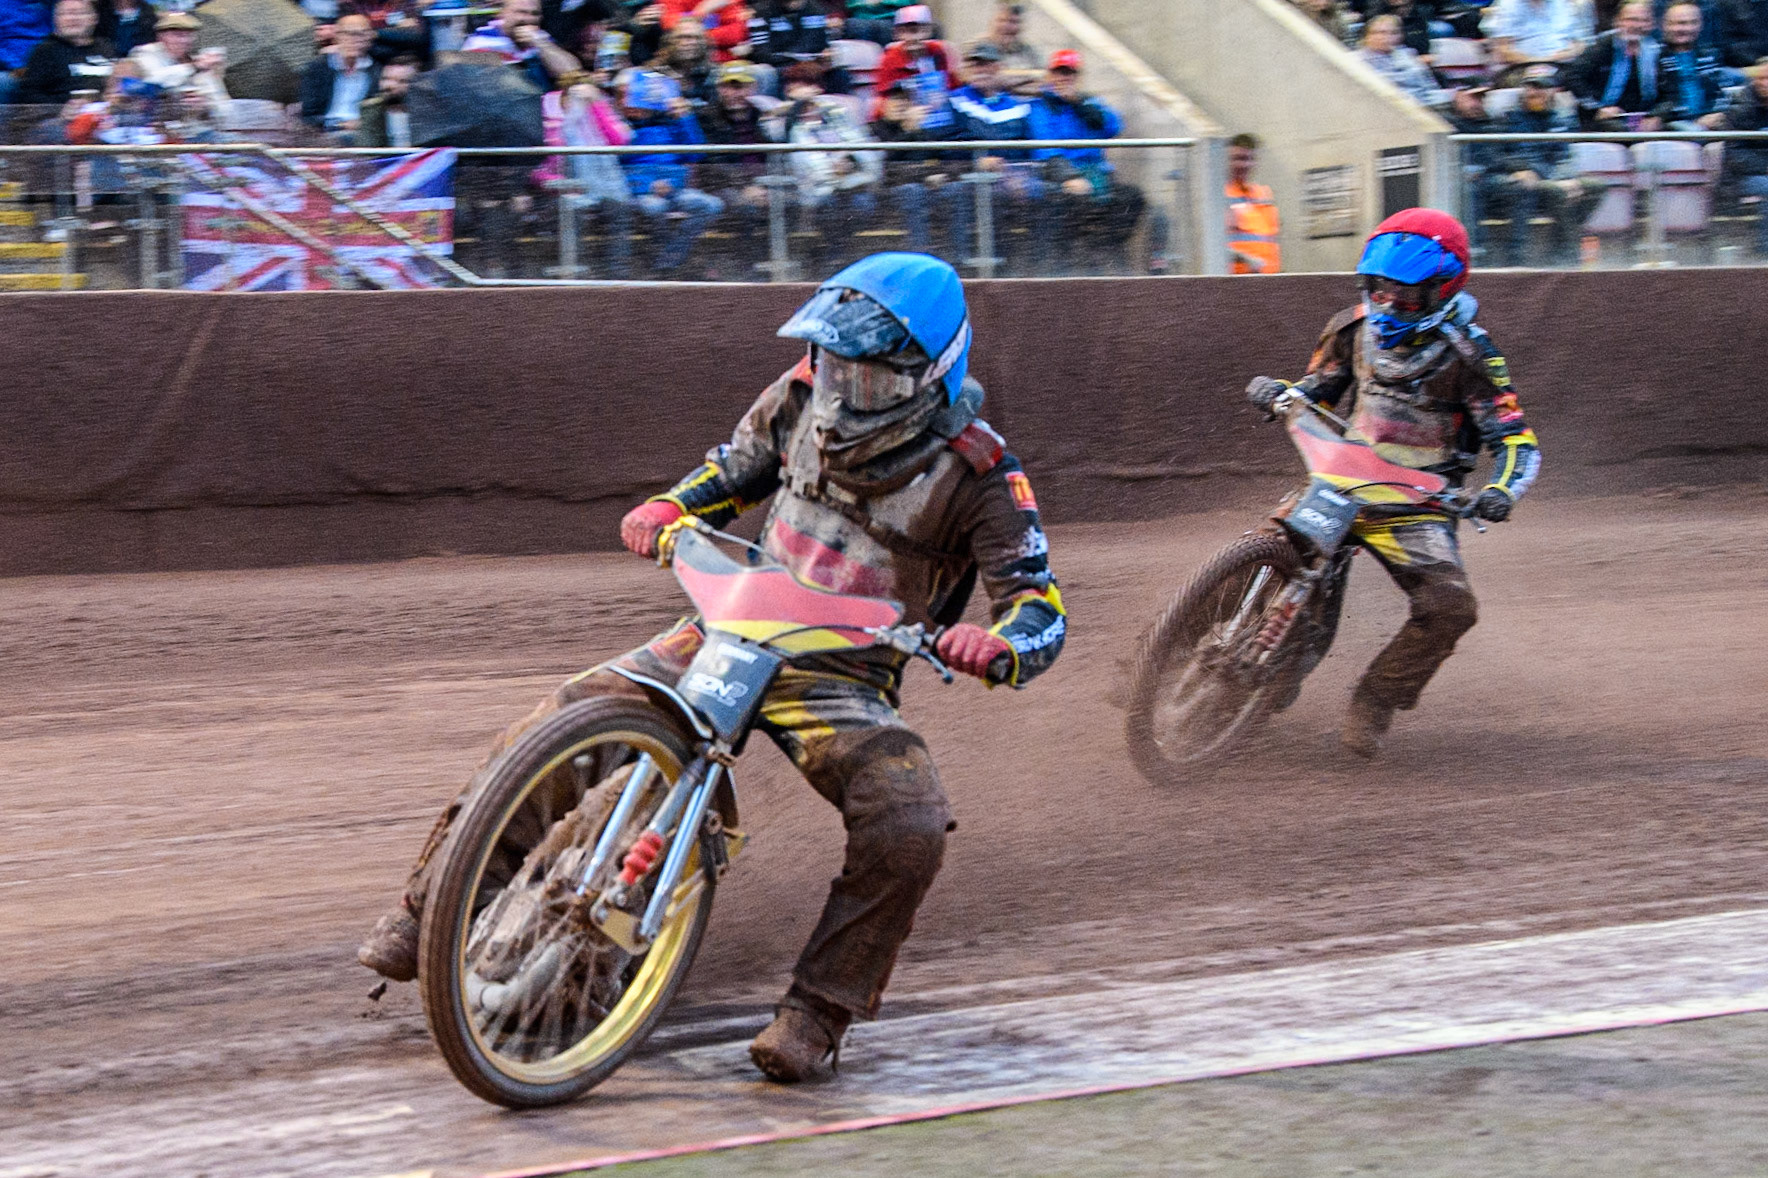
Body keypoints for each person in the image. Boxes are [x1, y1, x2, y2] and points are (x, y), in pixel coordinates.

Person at [359, 252, 1066, 1083]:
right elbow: (730, 476)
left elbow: (1039, 605)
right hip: (735, 626)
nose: (842, 390)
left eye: (867, 379)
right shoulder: (802, 393)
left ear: (929, 379)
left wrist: (1003, 645)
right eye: (834, 365)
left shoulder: (984, 471)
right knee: (567, 719)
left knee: (908, 824)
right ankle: (432, 903)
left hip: (845, 677)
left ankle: (819, 1009)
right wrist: (671, 507)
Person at [1245, 209, 1540, 759]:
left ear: (1442, 291)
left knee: (1452, 609)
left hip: (1416, 503)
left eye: (1405, 298)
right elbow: (1318, 389)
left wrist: (1502, 491)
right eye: (1379, 291)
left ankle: (1377, 699)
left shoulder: (1472, 356)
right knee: (1261, 549)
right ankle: (1170, 647)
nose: (1388, 306)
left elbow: (1517, 442)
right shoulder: (1351, 328)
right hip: (1341, 478)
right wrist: (1280, 392)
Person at [1026, 48, 1146, 272]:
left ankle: (1105, 250)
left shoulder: (1089, 102)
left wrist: (1079, 104)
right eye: (1060, 72)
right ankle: (1073, 262)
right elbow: (1046, 150)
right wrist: (1070, 177)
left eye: (1070, 73)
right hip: (1061, 174)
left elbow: (1114, 126)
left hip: (1097, 173)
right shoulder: (1041, 106)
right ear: (1051, 75)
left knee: (1132, 198)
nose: (1065, 78)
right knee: (1073, 200)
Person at [1489, 64, 1604, 263]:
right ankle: (1570, 255)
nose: (1535, 92)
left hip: (1555, 178)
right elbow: (1499, 154)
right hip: (1528, 180)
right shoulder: (1509, 117)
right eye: (1530, 87)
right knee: (1557, 192)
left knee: (1596, 187)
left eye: (1541, 87)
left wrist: (1567, 179)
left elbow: (1566, 155)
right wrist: (1520, 169)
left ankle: (1557, 246)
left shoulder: (1562, 117)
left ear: (1552, 91)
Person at [618, 64, 726, 275]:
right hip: (636, 192)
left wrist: (685, 118)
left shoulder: (670, 122)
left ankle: (670, 260)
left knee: (711, 205)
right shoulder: (617, 125)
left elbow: (695, 154)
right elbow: (615, 168)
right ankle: (671, 262)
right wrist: (647, 185)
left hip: (674, 188)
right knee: (654, 207)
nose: (628, 101)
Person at [777, 65, 882, 269]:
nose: (803, 91)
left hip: (853, 184)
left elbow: (862, 146)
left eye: (808, 85)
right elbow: (789, 152)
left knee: (863, 206)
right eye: (794, 87)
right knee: (829, 206)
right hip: (815, 190)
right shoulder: (783, 120)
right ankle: (837, 257)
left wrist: (850, 162)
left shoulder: (838, 115)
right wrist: (795, 109)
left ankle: (839, 255)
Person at [869, 75, 969, 259]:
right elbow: (884, 165)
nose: (900, 104)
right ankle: (920, 256)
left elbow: (945, 159)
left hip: (926, 190)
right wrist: (908, 131)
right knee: (912, 191)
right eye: (895, 99)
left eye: (906, 99)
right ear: (884, 103)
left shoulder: (924, 131)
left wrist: (941, 175)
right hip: (890, 193)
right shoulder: (875, 129)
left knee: (955, 189)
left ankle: (959, 258)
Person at [1566, 0, 1665, 128]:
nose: (1636, 25)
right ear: (1617, 21)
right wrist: (1597, 108)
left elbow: (1669, 93)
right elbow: (1571, 76)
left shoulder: (1657, 50)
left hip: (1645, 117)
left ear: (1651, 24)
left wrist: (1657, 115)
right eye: (1631, 20)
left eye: (1643, 20)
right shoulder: (1602, 47)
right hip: (1605, 118)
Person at [128, 11, 228, 124]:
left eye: (188, 35)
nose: (184, 41)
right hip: (154, 126)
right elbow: (153, 80)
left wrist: (205, 107)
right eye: (177, 35)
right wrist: (193, 67)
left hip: (194, 131)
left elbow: (224, 110)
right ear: (161, 36)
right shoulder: (146, 53)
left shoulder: (200, 62)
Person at [872, 5, 959, 133]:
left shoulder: (940, 51)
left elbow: (954, 87)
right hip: (906, 122)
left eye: (916, 30)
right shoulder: (890, 58)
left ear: (928, 30)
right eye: (904, 31)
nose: (911, 38)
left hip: (940, 118)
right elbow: (883, 101)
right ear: (897, 33)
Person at [461, 0, 582, 89]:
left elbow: (573, 73)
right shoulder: (483, 40)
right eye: (521, 12)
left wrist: (540, 43)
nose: (528, 19)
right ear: (503, 13)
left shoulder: (540, 37)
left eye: (534, 13)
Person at [17, 0, 114, 106]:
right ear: (55, 20)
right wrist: (61, 109)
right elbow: (29, 95)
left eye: (79, 13)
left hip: (110, 113)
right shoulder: (45, 51)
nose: (72, 19)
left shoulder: (107, 47)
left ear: (94, 18)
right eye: (65, 14)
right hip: (64, 117)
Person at [1717, 57, 1768, 255]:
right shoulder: (1740, 108)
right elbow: (1734, 155)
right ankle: (1764, 252)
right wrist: (1765, 167)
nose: (1765, 83)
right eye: (1761, 78)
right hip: (1739, 178)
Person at [298, 12, 379, 135]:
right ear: (337, 36)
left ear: (370, 38)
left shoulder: (376, 70)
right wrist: (339, 126)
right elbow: (309, 114)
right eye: (348, 34)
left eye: (361, 34)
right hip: (325, 132)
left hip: (363, 134)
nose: (354, 39)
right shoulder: (319, 67)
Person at [1655, 1, 1730, 126]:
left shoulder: (1710, 55)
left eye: (1693, 23)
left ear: (1701, 25)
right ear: (1664, 25)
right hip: (1670, 124)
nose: (1687, 29)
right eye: (1680, 23)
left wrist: (1718, 114)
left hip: (1709, 122)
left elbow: (1720, 94)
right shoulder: (1653, 56)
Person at [1357, 14, 1449, 106]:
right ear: (1367, 36)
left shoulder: (1408, 53)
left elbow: (1428, 86)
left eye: (1393, 33)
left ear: (1400, 36)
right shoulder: (1356, 60)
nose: (1386, 37)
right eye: (1379, 32)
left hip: (1426, 102)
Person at [1225, 132, 1281, 275]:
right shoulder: (1222, 196)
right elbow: (1215, 246)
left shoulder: (1263, 195)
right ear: (1228, 160)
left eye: (1248, 159)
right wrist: (1247, 260)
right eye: (1238, 159)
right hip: (1237, 283)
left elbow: (1270, 240)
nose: (1244, 165)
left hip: (1269, 280)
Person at [1481, 0, 1594, 65]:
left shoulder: (1565, 4)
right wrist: (1538, 61)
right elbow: (1503, 50)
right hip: (1523, 67)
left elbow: (1581, 44)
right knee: (1540, 84)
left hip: (1564, 64)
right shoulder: (1507, 5)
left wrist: (1570, 52)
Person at [968, 1, 1044, 94]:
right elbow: (967, 77)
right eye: (1002, 20)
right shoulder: (976, 46)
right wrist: (1023, 81)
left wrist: (1000, 82)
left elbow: (1043, 83)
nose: (1006, 26)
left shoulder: (1029, 52)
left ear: (1022, 26)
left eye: (1014, 22)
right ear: (992, 22)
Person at [355, 55, 418, 146]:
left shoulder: (427, 111)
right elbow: (367, 149)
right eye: (386, 79)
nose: (389, 86)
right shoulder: (371, 110)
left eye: (402, 81)